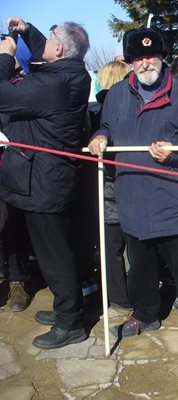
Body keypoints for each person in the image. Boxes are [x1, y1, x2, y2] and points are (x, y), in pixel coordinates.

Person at [88, 27, 178, 352]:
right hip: (132, 197)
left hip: (175, 198)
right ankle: (145, 313)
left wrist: (176, 150)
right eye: (139, 58)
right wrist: (99, 138)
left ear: (163, 58)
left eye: (152, 56)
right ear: (130, 62)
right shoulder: (117, 95)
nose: (146, 63)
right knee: (140, 268)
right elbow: (105, 125)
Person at [0, 17, 91, 349]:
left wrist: (6, 57)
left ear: (60, 48)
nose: (45, 43)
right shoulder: (68, 72)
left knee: (54, 255)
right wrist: (28, 31)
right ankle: (66, 307)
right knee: (56, 250)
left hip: (44, 182)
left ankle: (71, 322)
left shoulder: (56, 83)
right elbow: (50, 49)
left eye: (50, 37)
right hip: (46, 178)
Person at [90, 60, 132, 310]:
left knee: (111, 248)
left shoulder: (96, 111)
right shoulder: (131, 107)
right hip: (125, 185)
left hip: (108, 186)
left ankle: (119, 296)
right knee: (135, 246)